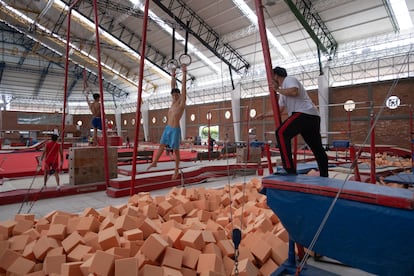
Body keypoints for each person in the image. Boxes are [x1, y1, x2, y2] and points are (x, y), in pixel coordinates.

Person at [271, 66, 328, 177]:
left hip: (304, 113)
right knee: (316, 147)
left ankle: (289, 169)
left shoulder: (289, 80)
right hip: (312, 116)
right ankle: (324, 174)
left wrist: (277, 90)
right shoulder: (283, 92)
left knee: (281, 133)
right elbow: (280, 109)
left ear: (276, 75)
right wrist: (263, 115)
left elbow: (294, 91)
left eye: (272, 76)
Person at [148, 64, 187, 179]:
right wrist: (173, 75)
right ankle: (155, 162)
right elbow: (172, 86)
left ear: (179, 95)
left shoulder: (181, 104)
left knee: (176, 151)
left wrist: (184, 73)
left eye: (176, 95)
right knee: (161, 145)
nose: (174, 96)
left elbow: (183, 87)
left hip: (175, 130)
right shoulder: (173, 103)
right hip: (167, 128)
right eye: (173, 95)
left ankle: (176, 170)